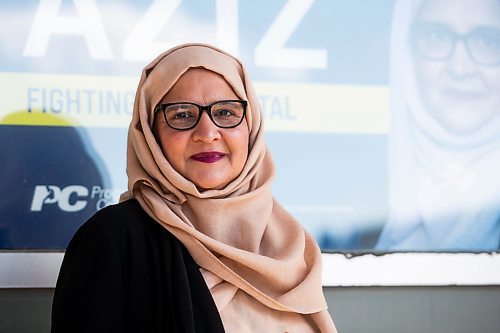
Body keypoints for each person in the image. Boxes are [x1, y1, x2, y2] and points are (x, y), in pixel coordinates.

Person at [51, 43, 337, 332]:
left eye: (225, 112)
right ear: (151, 132)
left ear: (250, 125)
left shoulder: (288, 245)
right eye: (182, 115)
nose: (207, 133)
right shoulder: (113, 241)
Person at [376, 0, 500, 250]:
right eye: (436, 36)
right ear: (406, 53)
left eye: (487, 41)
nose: (460, 68)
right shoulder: (364, 196)